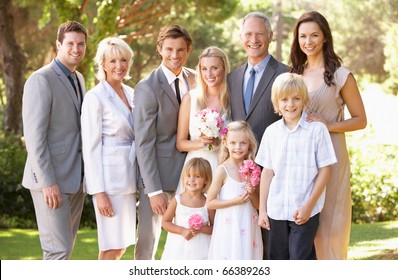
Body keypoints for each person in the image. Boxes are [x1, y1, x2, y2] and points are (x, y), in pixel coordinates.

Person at [289, 11, 367, 260]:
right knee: (302, 228)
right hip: (299, 158)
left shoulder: (341, 75)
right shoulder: (294, 74)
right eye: (303, 36)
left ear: (324, 38)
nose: (308, 41)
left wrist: (327, 124)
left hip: (330, 157)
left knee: (330, 226)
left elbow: (361, 120)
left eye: (314, 35)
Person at [21, 21, 87, 260]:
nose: (76, 49)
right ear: (58, 44)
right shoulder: (41, 79)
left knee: (65, 250)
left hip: (74, 180)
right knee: (56, 250)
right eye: (70, 43)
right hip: (51, 181)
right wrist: (48, 182)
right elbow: (34, 137)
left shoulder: (78, 77)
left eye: (81, 44)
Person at [255, 72, 337, 260]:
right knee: (278, 259)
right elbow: (267, 172)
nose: (290, 104)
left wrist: (308, 206)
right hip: (276, 210)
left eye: (296, 99)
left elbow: (325, 171)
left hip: (305, 208)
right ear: (277, 103)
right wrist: (263, 210)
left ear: (304, 100)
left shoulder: (317, 130)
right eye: (284, 99)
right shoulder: (271, 132)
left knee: (300, 259)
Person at [133, 24, 196, 260]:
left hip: (192, 174)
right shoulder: (147, 87)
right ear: (159, 48)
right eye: (169, 49)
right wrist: (153, 191)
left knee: (189, 239)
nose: (175, 55)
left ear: (188, 50)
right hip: (158, 178)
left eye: (181, 49)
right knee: (148, 243)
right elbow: (144, 143)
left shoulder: (195, 78)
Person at [81, 37, 136, 260]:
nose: (119, 66)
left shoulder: (132, 93)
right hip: (109, 185)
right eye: (112, 61)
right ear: (102, 64)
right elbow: (90, 148)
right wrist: (99, 192)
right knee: (111, 246)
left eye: (123, 60)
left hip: (129, 179)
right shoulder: (95, 97)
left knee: (121, 245)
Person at [175, 46, 231, 194]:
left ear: (224, 69)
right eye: (204, 69)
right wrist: (200, 143)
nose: (209, 74)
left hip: (223, 166)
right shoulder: (190, 98)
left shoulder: (233, 100)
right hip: (195, 168)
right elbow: (180, 143)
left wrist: (221, 143)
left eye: (214, 68)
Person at [228, 11, 288, 144]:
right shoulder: (232, 78)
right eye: (248, 34)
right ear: (241, 38)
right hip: (239, 160)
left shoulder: (286, 74)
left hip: (273, 159)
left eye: (260, 34)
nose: (254, 40)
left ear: (270, 36)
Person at [206, 121, 263, 260]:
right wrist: (234, 201)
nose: (238, 147)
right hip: (229, 228)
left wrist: (252, 192)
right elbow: (210, 203)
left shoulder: (252, 169)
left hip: (249, 225)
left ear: (249, 144)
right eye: (233, 143)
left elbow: (257, 205)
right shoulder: (222, 170)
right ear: (225, 143)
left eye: (243, 143)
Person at [161, 157, 215, 260]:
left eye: (197, 176)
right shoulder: (177, 200)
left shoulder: (208, 203)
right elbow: (165, 222)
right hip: (177, 249)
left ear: (206, 180)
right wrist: (182, 231)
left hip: (201, 250)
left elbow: (214, 228)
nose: (191, 180)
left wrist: (201, 229)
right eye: (188, 176)